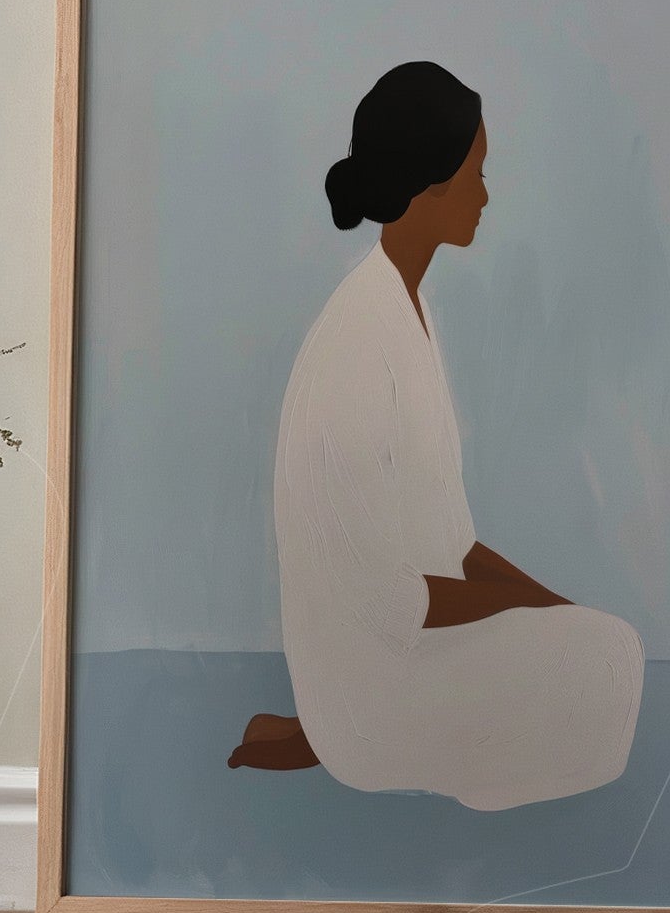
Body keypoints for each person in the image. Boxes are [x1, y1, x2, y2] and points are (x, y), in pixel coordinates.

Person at [230, 61, 643, 810]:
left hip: (409, 648)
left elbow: (454, 546)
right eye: (476, 172)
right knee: (606, 661)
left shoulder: (410, 317)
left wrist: (553, 607)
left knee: (605, 641)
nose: (486, 194)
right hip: (379, 679)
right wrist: (534, 618)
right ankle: (342, 740)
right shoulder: (356, 343)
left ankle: (338, 736)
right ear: (429, 183)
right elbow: (385, 598)